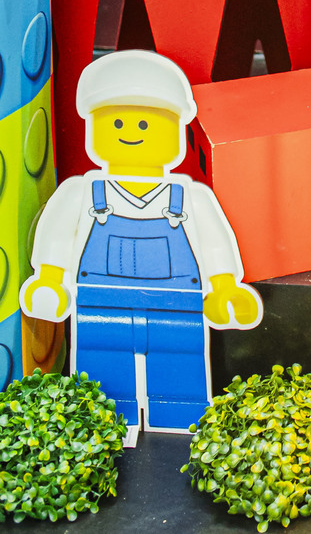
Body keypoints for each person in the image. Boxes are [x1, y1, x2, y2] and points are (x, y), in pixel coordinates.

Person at [20, 51, 261, 436]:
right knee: (102, 372)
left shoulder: (191, 199)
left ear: (176, 129)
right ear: (94, 124)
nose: (131, 130)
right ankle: (107, 421)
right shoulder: (82, 193)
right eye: (116, 121)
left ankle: (181, 416)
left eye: (147, 122)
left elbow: (216, 245)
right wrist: (49, 278)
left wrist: (224, 286)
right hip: (99, 306)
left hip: (178, 307)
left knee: (179, 364)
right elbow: (58, 235)